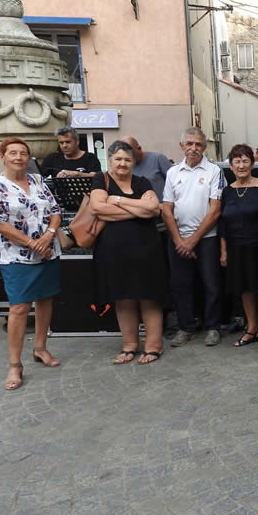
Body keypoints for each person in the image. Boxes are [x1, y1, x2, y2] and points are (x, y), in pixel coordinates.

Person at [0, 138, 62, 390]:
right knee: (19, 308)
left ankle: (40, 348)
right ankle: (15, 365)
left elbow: (55, 211)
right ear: (3, 156)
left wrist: (49, 235)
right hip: (15, 256)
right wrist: (31, 242)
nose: (19, 157)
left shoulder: (38, 181)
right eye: (13, 153)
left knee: (46, 299)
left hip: (47, 251)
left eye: (23, 153)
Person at [89, 140, 166, 364]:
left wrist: (119, 200)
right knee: (123, 298)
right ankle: (130, 346)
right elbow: (97, 208)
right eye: (118, 159)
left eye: (127, 159)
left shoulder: (142, 181)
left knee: (149, 297)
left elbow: (153, 208)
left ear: (133, 162)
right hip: (114, 251)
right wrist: (137, 209)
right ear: (110, 160)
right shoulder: (100, 179)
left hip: (146, 250)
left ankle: (153, 346)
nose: (123, 163)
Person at [162, 127, 225, 348]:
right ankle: (186, 327)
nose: (193, 148)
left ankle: (213, 327)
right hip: (178, 238)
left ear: (204, 146)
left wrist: (192, 240)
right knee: (181, 285)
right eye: (189, 143)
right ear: (182, 146)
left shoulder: (214, 171)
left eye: (198, 144)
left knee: (210, 284)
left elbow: (215, 210)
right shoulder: (172, 172)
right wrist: (179, 240)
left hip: (207, 238)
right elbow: (167, 208)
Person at [219, 144, 258, 352]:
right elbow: (223, 224)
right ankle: (252, 327)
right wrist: (224, 250)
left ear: (252, 164)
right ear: (231, 166)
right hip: (236, 248)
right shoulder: (227, 191)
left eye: (245, 161)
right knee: (244, 289)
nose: (241, 165)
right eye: (237, 161)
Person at [124, 135, 173, 201]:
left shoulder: (158, 159)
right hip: (140, 208)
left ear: (139, 148)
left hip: (162, 208)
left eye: (132, 154)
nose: (129, 158)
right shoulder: (126, 166)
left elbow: (174, 182)